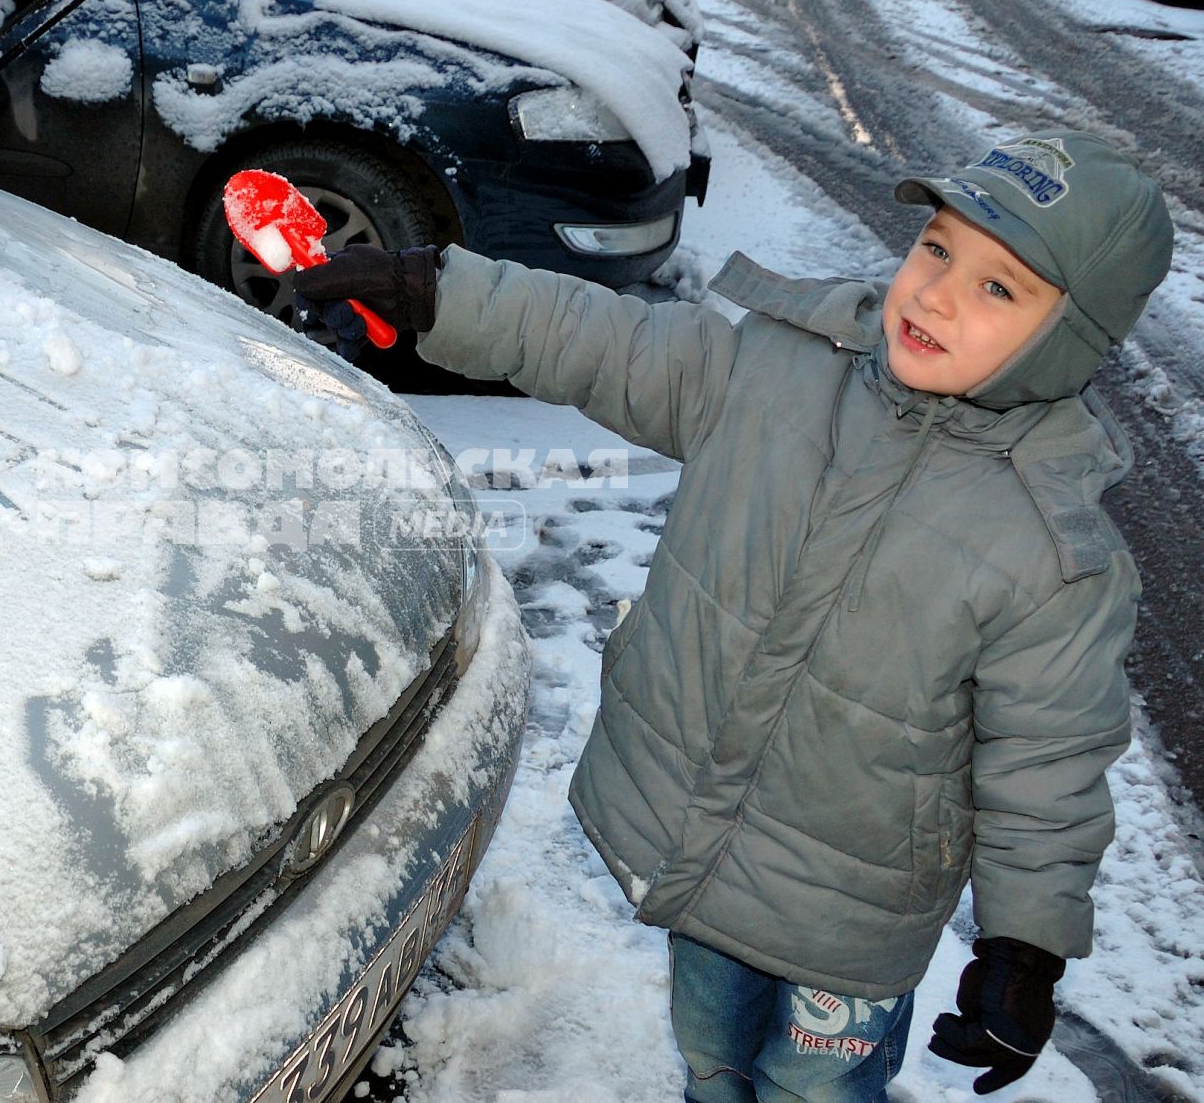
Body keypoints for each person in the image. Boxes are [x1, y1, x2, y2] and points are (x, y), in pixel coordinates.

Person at [292, 131, 1174, 1101]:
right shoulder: (775, 371)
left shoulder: (1050, 549)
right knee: (710, 1057)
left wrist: (1026, 947)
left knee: (814, 1091)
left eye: (999, 288)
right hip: (701, 863)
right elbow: (601, 340)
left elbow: (1046, 767)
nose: (934, 293)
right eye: (935, 248)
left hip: (848, 924)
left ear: (1073, 335)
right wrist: (434, 290)